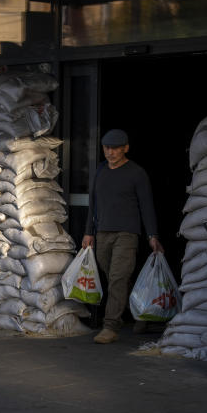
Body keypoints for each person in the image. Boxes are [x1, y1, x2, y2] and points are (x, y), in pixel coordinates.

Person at [82, 129, 163, 344]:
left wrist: (152, 235)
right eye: (107, 148)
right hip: (103, 232)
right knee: (116, 278)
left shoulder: (136, 173)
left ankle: (110, 326)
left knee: (118, 277)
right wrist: (88, 232)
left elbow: (147, 206)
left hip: (127, 233)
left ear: (125, 148)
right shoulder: (100, 171)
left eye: (115, 148)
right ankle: (140, 311)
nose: (110, 152)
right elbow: (93, 204)